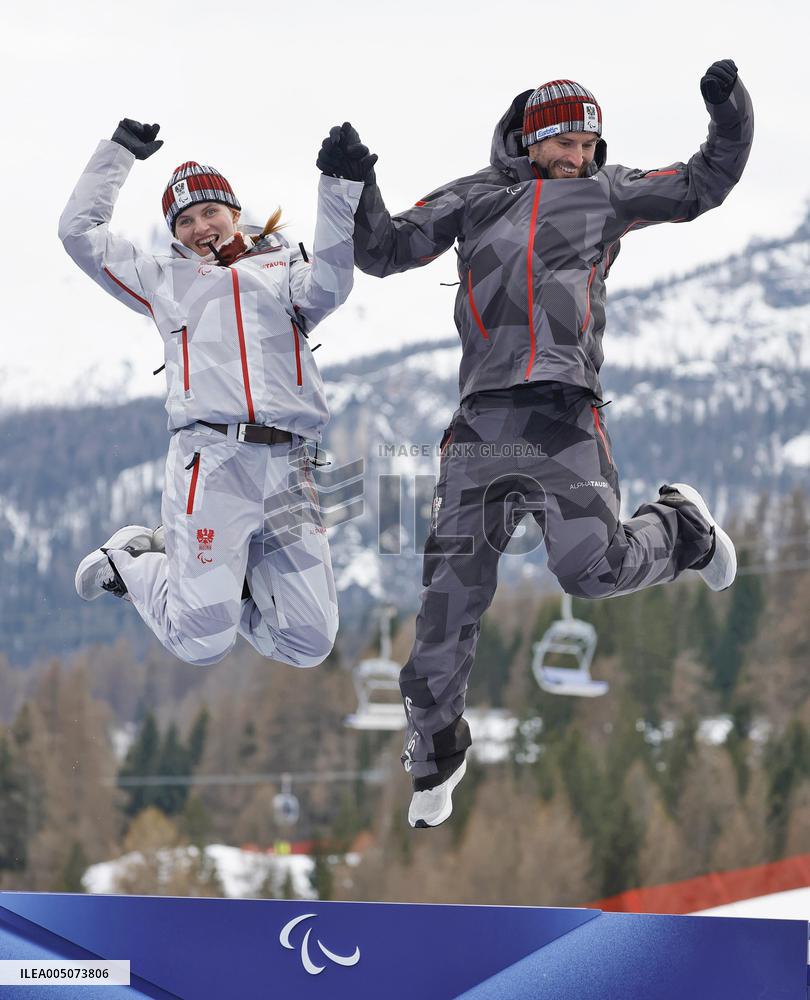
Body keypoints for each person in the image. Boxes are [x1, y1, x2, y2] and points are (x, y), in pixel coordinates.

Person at [319, 61, 754, 826]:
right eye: (565, 142)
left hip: (563, 416)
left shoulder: (608, 191)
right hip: (482, 425)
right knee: (447, 605)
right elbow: (384, 250)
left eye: (589, 141)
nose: (579, 155)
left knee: (593, 570)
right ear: (532, 138)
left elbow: (703, 183)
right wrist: (354, 186)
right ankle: (437, 757)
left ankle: (680, 529)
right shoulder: (475, 196)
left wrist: (727, 110)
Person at [60, 119, 364, 667]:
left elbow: (334, 286)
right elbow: (78, 234)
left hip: (289, 467)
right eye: (186, 221)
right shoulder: (163, 281)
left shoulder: (283, 269)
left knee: (309, 643)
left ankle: (237, 585)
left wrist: (340, 188)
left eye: (210, 212)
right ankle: (132, 561)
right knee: (201, 642)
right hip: (214, 463)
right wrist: (118, 156)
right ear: (175, 234)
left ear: (233, 211)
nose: (201, 227)